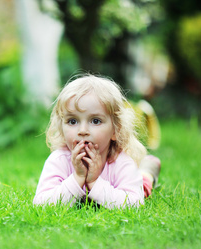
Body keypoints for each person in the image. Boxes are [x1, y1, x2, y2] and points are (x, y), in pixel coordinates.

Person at [33, 74, 161, 209]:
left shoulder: (121, 162)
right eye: (72, 121)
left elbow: (134, 204)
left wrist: (95, 182)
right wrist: (77, 178)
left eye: (95, 121)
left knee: (144, 185)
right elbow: (41, 203)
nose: (82, 130)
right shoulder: (59, 160)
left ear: (115, 130)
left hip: (134, 180)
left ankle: (148, 169)